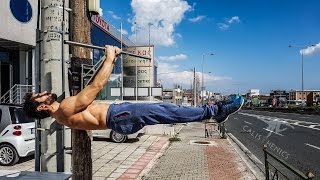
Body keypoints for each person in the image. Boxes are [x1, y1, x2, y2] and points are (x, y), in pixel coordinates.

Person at [23, 46, 244, 135]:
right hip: (118, 116)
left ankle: (212, 112)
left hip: (117, 119)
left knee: (164, 111)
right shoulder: (66, 107)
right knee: (165, 109)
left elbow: (88, 101)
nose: (42, 91)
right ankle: (215, 111)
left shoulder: (61, 118)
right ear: (42, 105)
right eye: (38, 95)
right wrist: (110, 57)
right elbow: (96, 86)